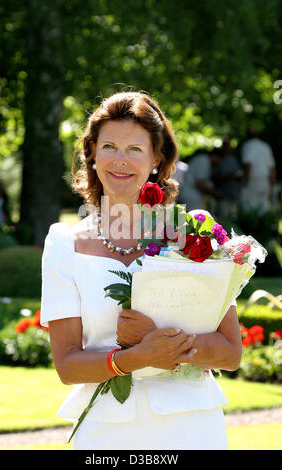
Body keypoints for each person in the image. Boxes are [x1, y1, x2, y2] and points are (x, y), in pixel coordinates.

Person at [40, 92, 242, 450]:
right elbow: (68, 365)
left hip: (192, 428)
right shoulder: (63, 244)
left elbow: (229, 352)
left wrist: (160, 337)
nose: (120, 161)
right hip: (106, 431)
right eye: (109, 147)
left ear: (156, 158)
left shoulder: (192, 234)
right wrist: (138, 357)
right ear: (91, 152)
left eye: (134, 149)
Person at [240, 125, 276, 213]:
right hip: (265, 180)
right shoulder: (265, 146)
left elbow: (249, 164)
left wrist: (245, 181)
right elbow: (272, 167)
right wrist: (272, 185)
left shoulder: (248, 146)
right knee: (263, 208)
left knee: (250, 207)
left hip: (253, 180)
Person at [213, 137, 243, 218]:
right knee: (223, 218)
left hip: (234, 194)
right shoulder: (219, 160)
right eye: (226, 145)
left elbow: (240, 173)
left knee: (235, 218)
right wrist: (226, 176)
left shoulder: (235, 159)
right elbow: (214, 176)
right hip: (223, 195)